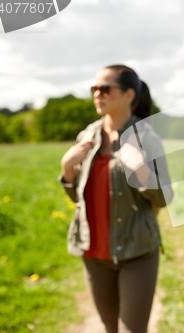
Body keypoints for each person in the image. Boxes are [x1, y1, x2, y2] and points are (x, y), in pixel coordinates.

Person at [58, 65, 173, 333]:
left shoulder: (148, 138)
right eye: (94, 89)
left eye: (105, 89)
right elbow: (80, 197)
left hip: (137, 252)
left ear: (129, 95)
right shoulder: (87, 136)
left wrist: (142, 172)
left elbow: (165, 197)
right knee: (109, 327)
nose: (98, 94)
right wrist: (67, 169)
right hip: (94, 252)